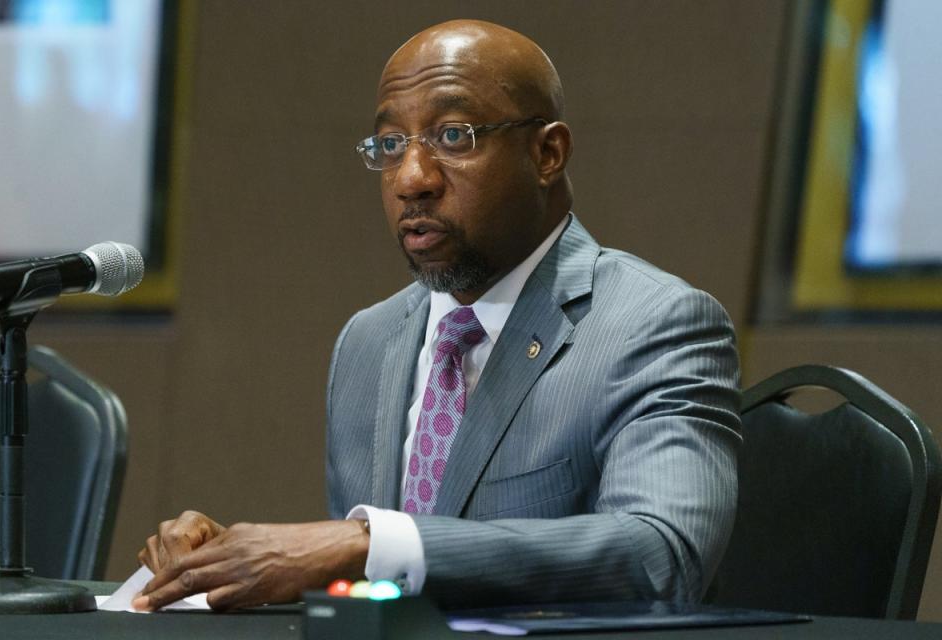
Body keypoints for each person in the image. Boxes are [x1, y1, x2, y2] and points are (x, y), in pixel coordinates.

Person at [134, 19, 740, 612]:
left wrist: (363, 546)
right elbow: (373, 596)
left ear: (548, 153)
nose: (411, 179)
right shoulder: (367, 342)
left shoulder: (654, 323)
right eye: (391, 145)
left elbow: (662, 555)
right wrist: (232, 561)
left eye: (454, 137)